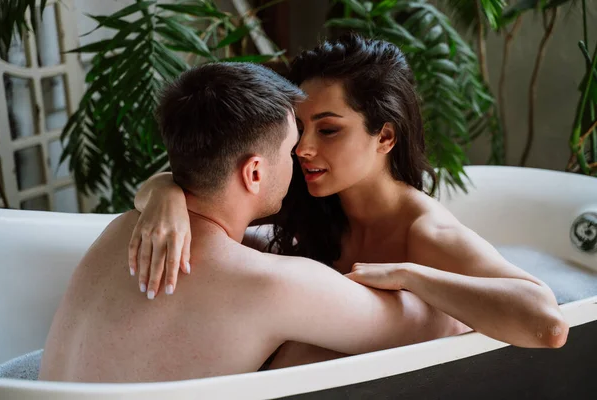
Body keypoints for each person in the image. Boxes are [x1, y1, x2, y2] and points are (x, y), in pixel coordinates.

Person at [128, 35, 568, 368]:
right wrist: (165, 193)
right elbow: (211, 181)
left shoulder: (424, 232)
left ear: (386, 136)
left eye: (329, 129)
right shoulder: (309, 196)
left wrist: (411, 276)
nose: (302, 148)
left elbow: (547, 324)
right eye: (299, 129)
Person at [39, 62, 467, 383]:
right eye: (292, 146)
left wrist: (160, 190)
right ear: (255, 172)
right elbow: (444, 325)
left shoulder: (123, 229)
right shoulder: (277, 285)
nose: (300, 157)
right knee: (318, 347)